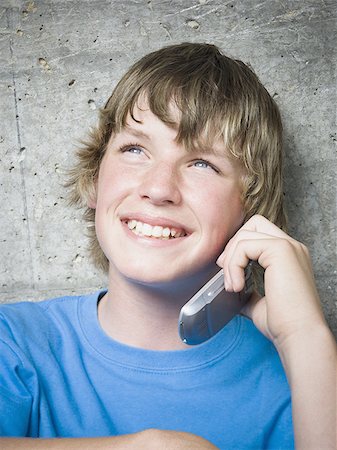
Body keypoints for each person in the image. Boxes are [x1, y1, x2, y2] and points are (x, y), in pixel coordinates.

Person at [0, 42, 336, 450]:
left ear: (252, 212)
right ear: (95, 179)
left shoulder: (303, 380)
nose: (158, 189)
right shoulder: (14, 342)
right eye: (135, 149)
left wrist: (306, 336)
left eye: (202, 164)